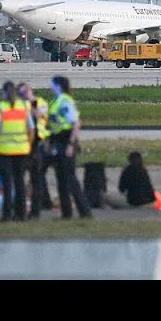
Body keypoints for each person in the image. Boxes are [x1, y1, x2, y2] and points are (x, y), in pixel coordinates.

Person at [46, 76, 92, 219]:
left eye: (52, 83)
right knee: (60, 178)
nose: (50, 85)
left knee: (70, 179)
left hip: (65, 141)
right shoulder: (55, 101)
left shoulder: (64, 101)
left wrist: (71, 144)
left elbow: (76, 123)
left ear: (58, 85)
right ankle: (66, 213)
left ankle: (85, 212)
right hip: (56, 141)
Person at [0, 81, 34, 222]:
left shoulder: (1, 108)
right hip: (22, 150)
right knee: (20, 183)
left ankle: (7, 214)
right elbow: (31, 129)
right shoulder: (24, 107)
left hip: (4, 151)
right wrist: (28, 144)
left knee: (7, 185)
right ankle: (21, 215)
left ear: (4, 93)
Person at [17, 82, 53, 218]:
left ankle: (43, 203)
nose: (25, 94)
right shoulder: (18, 105)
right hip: (24, 144)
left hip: (40, 142)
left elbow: (40, 115)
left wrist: (30, 103)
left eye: (27, 91)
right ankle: (43, 202)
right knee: (36, 175)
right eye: (22, 92)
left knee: (38, 174)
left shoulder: (40, 102)